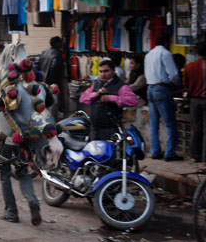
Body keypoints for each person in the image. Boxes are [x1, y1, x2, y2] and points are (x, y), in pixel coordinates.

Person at [144, 32, 182, 161]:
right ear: (166, 42)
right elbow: (174, 75)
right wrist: (178, 84)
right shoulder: (165, 53)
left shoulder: (149, 55)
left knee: (154, 124)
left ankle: (155, 151)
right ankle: (170, 153)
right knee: (170, 123)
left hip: (150, 88)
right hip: (161, 89)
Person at [79, 59, 138, 140]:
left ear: (113, 71)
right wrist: (96, 94)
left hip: (111, 128)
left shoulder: (121, 86)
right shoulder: (96, 84)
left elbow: (133, 101)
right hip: (94, 127)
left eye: (106, 71)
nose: (103, 74)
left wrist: (112, 98)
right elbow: (82, 98)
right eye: (101, 71)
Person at [0, 142, 41, 225]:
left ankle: (11, 212)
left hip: (7, 141)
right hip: (21, 141)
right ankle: (32, 200)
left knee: (5, 175)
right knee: (23, 174)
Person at [183, 41, 206, 163]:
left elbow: (185, 84)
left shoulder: (190, 67)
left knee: (195, 128)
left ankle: (194, 156)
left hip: (195, 100)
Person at [38, 36, 65, 118]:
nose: (62, 44)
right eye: (60, 42)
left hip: (43, 82)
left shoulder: (44, 52)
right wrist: (56, 82)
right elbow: (55, 69)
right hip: (52, 82)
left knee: (45, 101)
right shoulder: (57, 54)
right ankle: (52, 121)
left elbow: (39, 66)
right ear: (57, 43)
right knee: (54, 103)